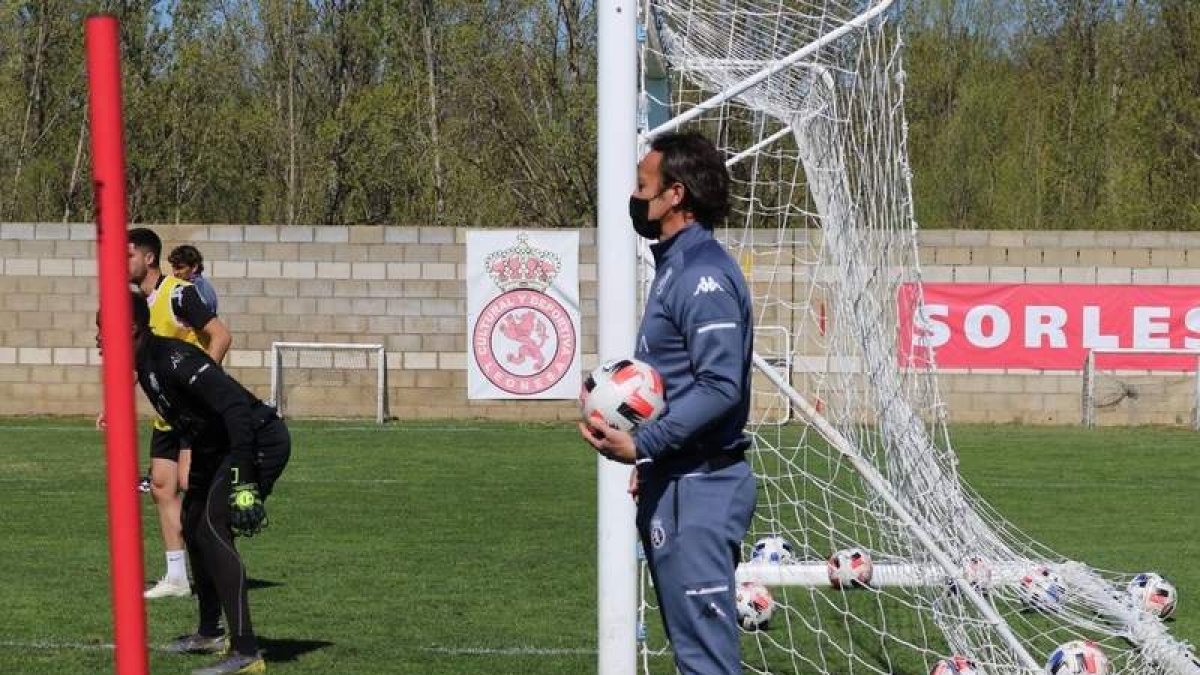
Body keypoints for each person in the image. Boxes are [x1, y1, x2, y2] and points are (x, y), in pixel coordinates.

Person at [579, 132, 757, 675]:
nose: (635, 198)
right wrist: (655, 459)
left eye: (642, 186)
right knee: (693, 657)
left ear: (675, 195)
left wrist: (644, 443)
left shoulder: (702, 275)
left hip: (700, 489)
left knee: (706, 662)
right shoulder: (675, 267)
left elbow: (720, 386)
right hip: (678, 479)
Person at [104, 289, 289, 675]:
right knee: (191, 523)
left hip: (255, 440)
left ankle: (246, 652)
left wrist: (242, 479)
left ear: (132, 327)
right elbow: (193, 419)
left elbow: (235, 406)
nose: (99, 337)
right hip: (214, 447)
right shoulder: (145, 367)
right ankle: (209, 632)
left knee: (212, 528)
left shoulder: (173, 358)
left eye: (104, 327)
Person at [105, 227, 232, 599]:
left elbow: (221, 336)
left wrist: (202, 382)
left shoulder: (180, 294)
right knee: (162, 488)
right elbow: (138, 361)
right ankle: (177, 576)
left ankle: (214, 563)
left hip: (194, 413)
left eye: (127, 255)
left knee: (193, 486)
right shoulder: (136, 306)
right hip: (168, 413)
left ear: (148, 258)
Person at [169, 244, 219, 314]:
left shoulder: (199, 287)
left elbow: (204, 318)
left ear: (194, 267)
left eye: (180, 268)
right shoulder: (186, 285)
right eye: (173, 267)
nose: (175, 272)